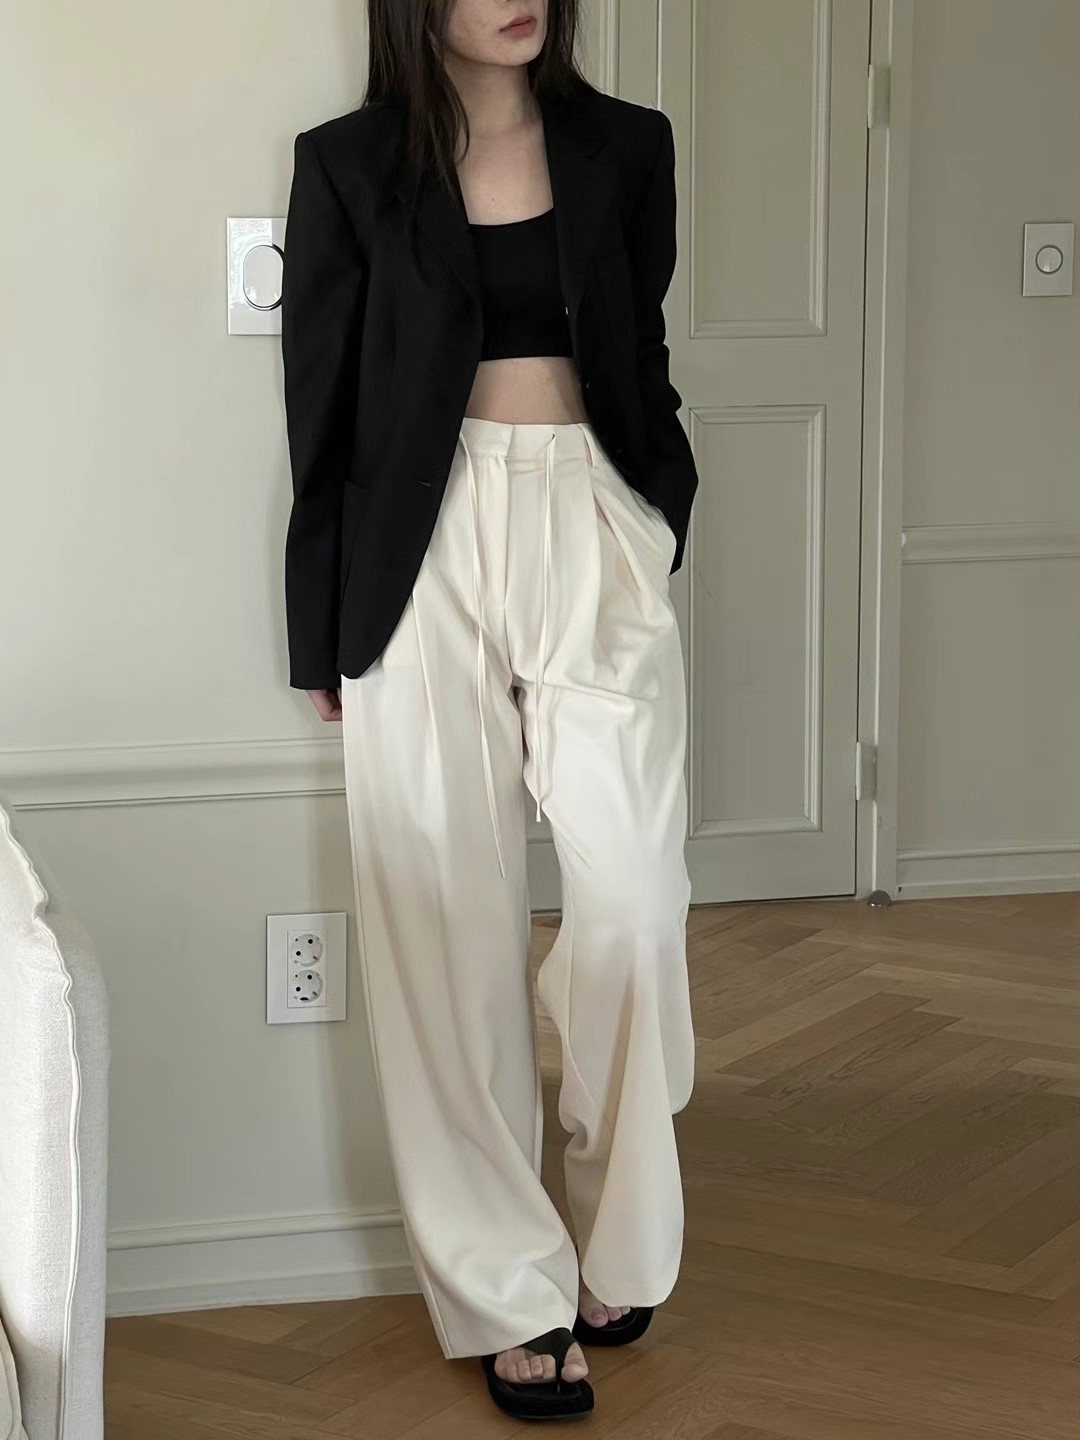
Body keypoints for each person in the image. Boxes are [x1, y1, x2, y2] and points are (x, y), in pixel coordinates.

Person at [280, 0, 699, 1421]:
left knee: (634, 901)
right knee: (444, 928)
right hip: (421, 549)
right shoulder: (348, 166)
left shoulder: (627, 145)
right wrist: (324, 630)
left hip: (592, 522)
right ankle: (512, 1290)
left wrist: (655, 516)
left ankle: (621, 1234)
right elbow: (321, 413)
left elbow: (641, 347)